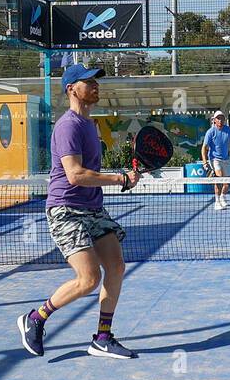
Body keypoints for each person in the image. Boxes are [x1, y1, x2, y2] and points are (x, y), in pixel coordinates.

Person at [17, 64, 143, 359]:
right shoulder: (68, 125)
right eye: (89, 82)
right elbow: (74, 174)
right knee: (88, 279)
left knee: (116, 267)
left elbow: (91, 173)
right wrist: (118, 179)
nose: (96, 86)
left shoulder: (90, 124)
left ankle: (102, 337)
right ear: (72, 88)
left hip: (93, 208)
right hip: (65, 209)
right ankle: (36, 318)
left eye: (97, 82)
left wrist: (125, 178)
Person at [202, 110, 230, 211]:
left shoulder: (228, 130)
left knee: (227, 183)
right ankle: (217, 202)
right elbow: (204, 148)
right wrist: (205, 162)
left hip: (226, 159)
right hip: (214, 159)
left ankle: (222, 197)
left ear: (224, 120)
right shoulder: (210, 132)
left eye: (222, 118)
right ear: (214, 120)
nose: (220, 120)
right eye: (218, 118)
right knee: (219, 179)